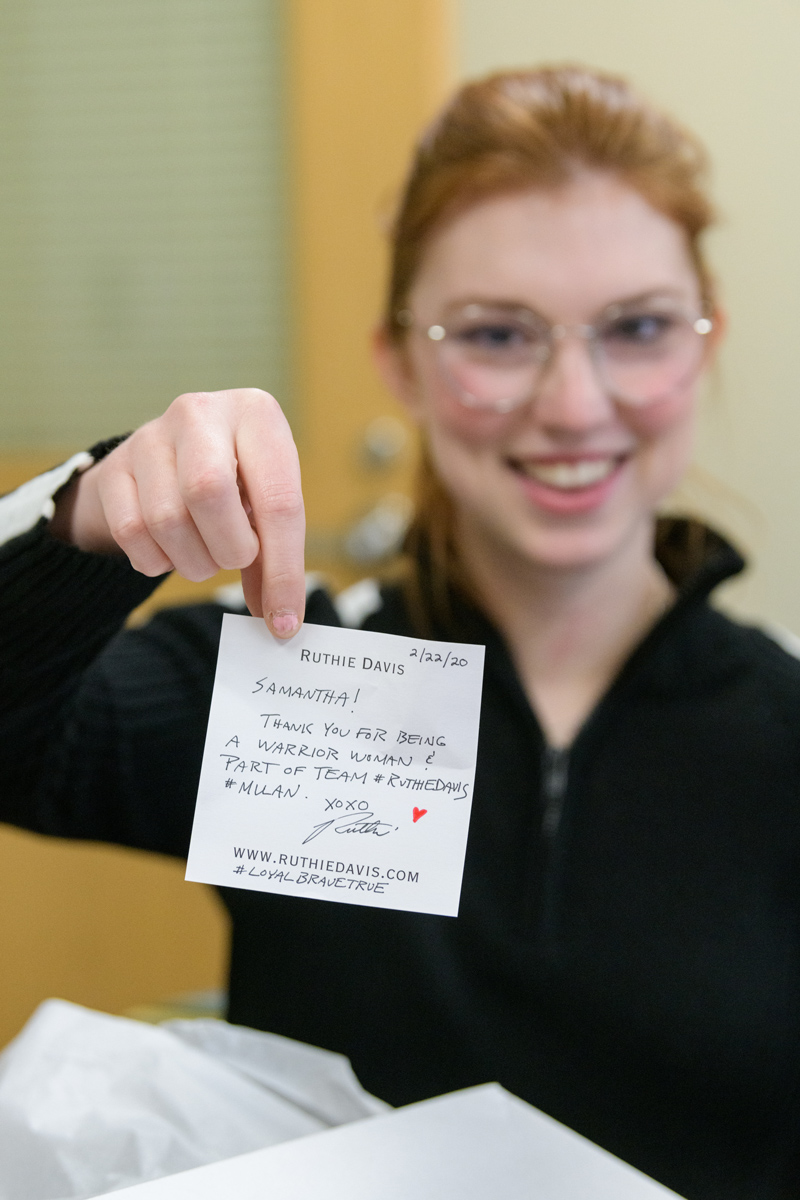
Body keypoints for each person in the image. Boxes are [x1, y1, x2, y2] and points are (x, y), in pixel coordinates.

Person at [1, 65, 799, 1200]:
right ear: (398, 359)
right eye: (494, 334)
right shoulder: (285, 668)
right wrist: (82, 522)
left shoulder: (782, 732)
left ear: (701, 345)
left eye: (635, 327)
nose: (572, 403)